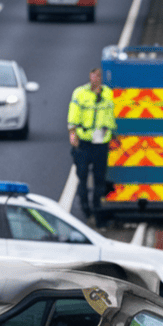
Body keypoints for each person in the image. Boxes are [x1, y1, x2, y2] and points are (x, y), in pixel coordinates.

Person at [67, 67, 117, 228]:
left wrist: (113, 134)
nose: (96, 78)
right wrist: (73, 133)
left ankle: (97, 212)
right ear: (90, 76)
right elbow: (73, 114)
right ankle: (86, 210)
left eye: (99, 76)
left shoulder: (108, 93)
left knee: (99, 179)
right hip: (84, 142)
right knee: (82, 177)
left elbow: (110, 115)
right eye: (93, 75)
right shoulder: (80, 93)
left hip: (101, 142)